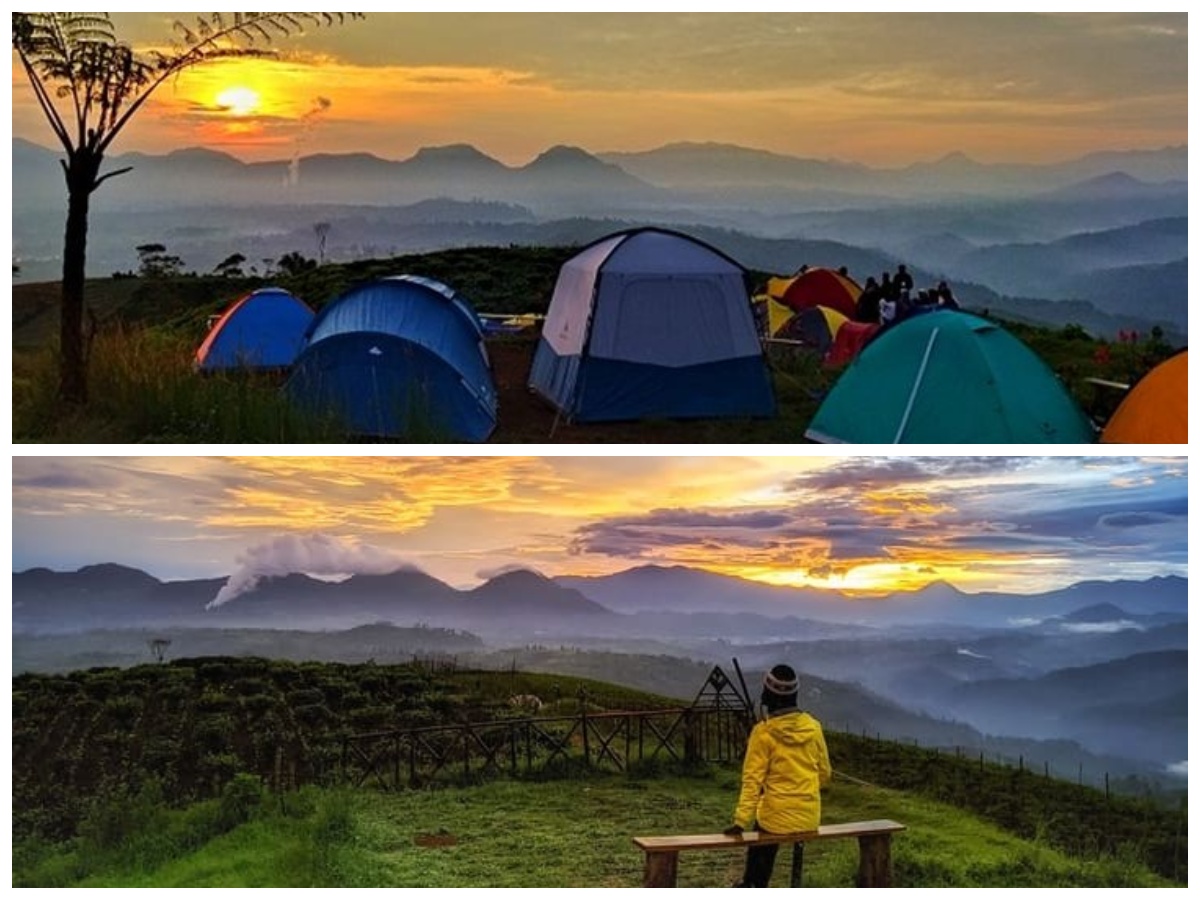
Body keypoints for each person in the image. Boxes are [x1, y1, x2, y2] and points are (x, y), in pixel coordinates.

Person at [725, 665, 832, 888]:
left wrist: (740, 822)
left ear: (768, 695)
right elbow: (825, 773)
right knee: (774, 821)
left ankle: (753, 885)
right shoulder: (814, 728)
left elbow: (752, 782)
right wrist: (804, 791)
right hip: (810, 817)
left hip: (775, 819)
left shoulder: (763, 733)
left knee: (764, 832)